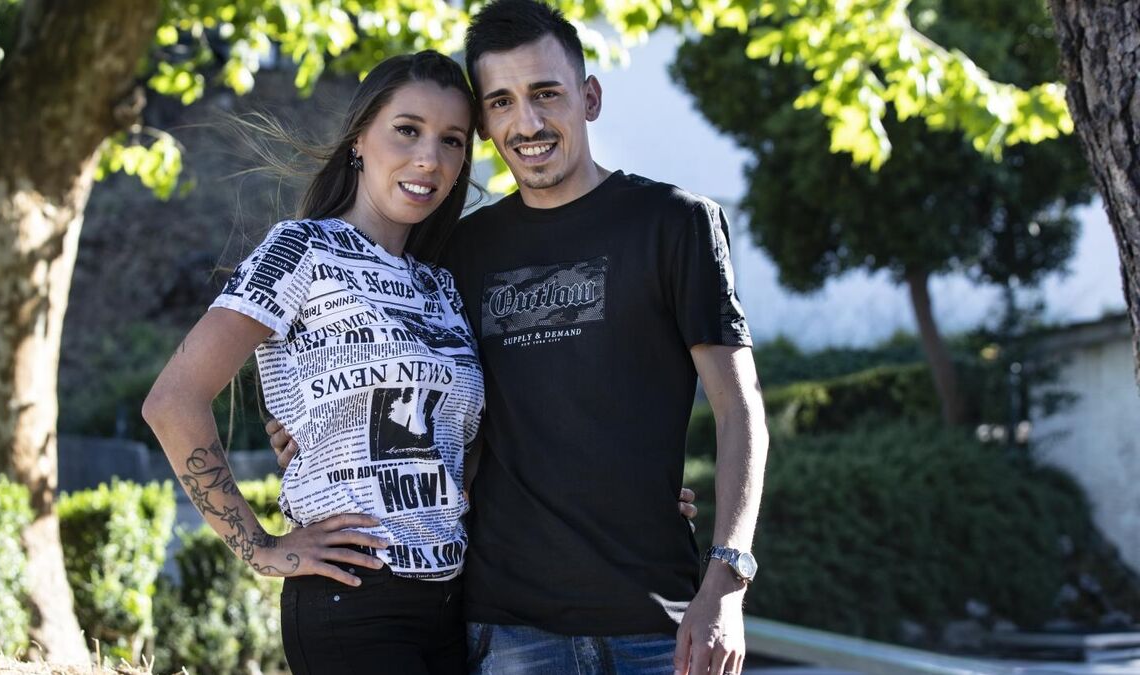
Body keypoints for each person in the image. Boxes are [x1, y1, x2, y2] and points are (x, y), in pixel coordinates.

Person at [271, 1, 770, 674]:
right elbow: (399, 380)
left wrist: (727, 582)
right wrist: (315, 429)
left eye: (546, 94)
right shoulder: (459, 251)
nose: (527, 123)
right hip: (507, 631)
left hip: (657, 624)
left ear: (589, 98)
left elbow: (740, 410)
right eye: (501, 102)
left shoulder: (675, 224)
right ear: (484, 123)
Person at [143, 51, 483, 674]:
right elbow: (173, 400)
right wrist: (261, 548)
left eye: (452, 140)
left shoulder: (442, 285)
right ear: (359, 140)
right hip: (353, 596)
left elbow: (461, 443)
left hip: (455, 601)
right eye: (407, 130)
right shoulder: (302, 250)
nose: (429, 158)